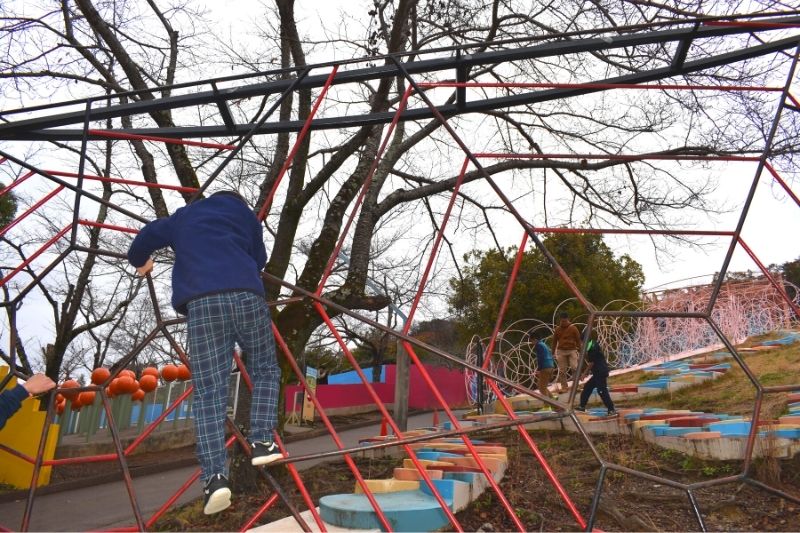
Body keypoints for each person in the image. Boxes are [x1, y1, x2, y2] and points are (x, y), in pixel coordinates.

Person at [127, 190, 282, 516]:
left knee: (210, 392)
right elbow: (260, 259)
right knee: (265, 367)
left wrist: (141, 262)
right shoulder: (246, 217)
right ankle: (262, 440)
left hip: (203, 302)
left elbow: (144, 239)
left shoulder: (186, 215)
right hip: (246, 297)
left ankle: (214, 478)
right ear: (238, 202)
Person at [575, 336, 617, 416]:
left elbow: (591, 363)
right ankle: (582, 406)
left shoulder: (592, 348)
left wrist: (584, 374)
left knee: (601, 391)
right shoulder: (592, 344)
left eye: (582, 342)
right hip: (598, 372)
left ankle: (611, 409)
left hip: (600, 371)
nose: (581, 344)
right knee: (588, 387)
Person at [552, 312, 581, 392]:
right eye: (562, 321)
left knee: (574, 367)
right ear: (560, 321)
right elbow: (554, 342)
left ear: (568, 320)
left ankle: (576, 386)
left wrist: (581, 350)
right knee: (562, 371)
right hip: (561, 351)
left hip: (572, 350)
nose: (563, 323)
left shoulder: (573, 328)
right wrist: (552, 353)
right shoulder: (557, 329)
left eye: (565, 321)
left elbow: (578, 340)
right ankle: (564, 387)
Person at [532, 330, 556, 399]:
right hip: (550, 366)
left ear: (535, 339)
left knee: (541, 387)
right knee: (541, 385)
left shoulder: (538, 345)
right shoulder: (544, 344)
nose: (532, 343)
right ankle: (552, 399)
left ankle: (547, 404)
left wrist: (539, 369)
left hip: (545, 367)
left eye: (532, 341)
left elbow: (540, 358)